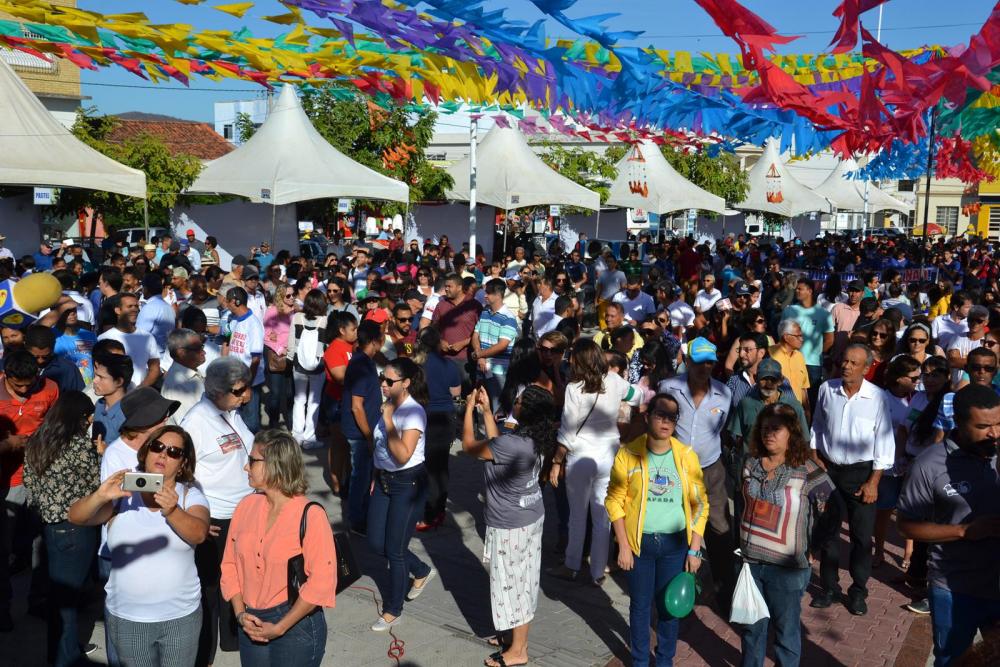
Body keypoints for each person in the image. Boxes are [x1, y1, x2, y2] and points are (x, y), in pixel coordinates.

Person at [69, 425, 210, 667]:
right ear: (145, 452)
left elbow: (199, 533)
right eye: (158, 447)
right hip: (127, 617)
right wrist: (100, 496)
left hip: (180, 617)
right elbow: (76, 517)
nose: (163, 455)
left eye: (174, 452)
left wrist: (173, 511)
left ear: (183, 463)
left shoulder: (189, 495)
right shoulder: (122, 496)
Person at [898, 384, 1000, 666]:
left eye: (999, 423)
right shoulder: (929, 465)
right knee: (952, 660)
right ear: (959, 422)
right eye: (983, 426)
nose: (995, 433)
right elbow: (906, 526)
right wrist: (963, 531)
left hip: (997, 584)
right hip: (954, 589)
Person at [605, 392, 707, 667]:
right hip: (640, 545)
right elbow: (614, 500)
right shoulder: (628, 454)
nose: (665, 422)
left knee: (669, 608)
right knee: (639, 608)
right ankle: (639, 662)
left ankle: (664, 662)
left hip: (675, 546)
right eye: (660, 415)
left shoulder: (686, 456)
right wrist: (623, 545)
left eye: (672, 417)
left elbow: (700, 505)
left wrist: (694, 549)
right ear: (648, 416)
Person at [221, 429, 336, 666]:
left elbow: (321, 583)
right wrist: (240, 613)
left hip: (295, 624)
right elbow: (229, 565)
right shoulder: (245, 506)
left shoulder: (311, 515)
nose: (246, 467)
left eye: (252, 461)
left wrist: (280, 627)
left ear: (275, 465)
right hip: (249, 620)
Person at [462, 384, 557, 667]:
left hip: (511, 525)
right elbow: (497, 443)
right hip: (529, 518)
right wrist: (487, 412)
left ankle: (518, 651)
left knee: (513, 586)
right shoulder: (531, 439)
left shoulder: (512, 444)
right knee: (522, 580)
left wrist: (468, 410)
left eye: (518, 401)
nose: (514, 403)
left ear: (525, 410)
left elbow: (470, 446)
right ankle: (511, 637)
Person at [737, 403, 835, 667]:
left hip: (788, 567)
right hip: (751, 564)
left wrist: (815, 545)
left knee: (786, 634)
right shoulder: (750, 463)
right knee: (752, 631)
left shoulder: (807, 470)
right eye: (765, 428)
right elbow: (741, 503)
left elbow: (833, 510)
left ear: (791, 432)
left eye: (776, 429)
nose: (769, 434)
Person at [810, 343, 896, 615]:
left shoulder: (878, 397)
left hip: (861, 475)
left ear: (867, 367)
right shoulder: (827, 389)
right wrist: (815, 454)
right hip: (830, 470)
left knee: (861, 537)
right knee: (827, 533)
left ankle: (858, 590)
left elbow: (884, 440)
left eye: (853, 362)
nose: (846, 366)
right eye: (844, 361)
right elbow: (818, 424)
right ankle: (830, 588)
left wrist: (874, 481)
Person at [179, 357, 254, 666]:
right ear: (216, 392)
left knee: (236, 580)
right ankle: (203, 652)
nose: (246, 395)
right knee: (211, 586)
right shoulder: (196, 423)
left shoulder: (231, 412)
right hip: (216, 517)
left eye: (247, 387)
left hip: (242, 511)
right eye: (239, 390)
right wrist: (195, 515)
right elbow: (182, 473)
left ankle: (232, 638)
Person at [548, 339, 641, 584]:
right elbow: (638, 394)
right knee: (602, 517)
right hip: (608, 456)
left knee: (577, 515)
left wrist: (557, 462)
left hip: (580, 458)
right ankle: (597, 572)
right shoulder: (615, 381)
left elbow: (567, 431)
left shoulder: (574, 388)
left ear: (579, 361)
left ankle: (571, 565)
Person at [657, 337, 735, 610]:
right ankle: (681, 589)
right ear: (687, 361)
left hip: (710, 469)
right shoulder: (668, 388)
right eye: (699, 362)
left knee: (719, 528)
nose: (704, 368)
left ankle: (724, 592)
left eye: (710, 362)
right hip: (675, 469)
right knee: (679, 528)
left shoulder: (724, 394)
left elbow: (721, 429)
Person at [23, 391, 98, 667]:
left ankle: (63, 651)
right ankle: (65, 658)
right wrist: (99, 455)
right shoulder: (79, 446)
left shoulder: (37, 440)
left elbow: (29, 482)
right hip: (77, 528)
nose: (91, 421)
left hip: (48, 527)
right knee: (66, 601)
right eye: (88, 417)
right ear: (78, 417)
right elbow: (95, 486)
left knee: (59, 597)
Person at [367, 358, 436, 631]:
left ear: (406, 383)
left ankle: (393, 610)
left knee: (394, 550)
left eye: (389, 381)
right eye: (382, 379)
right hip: (384, 480)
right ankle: (420, 570)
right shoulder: (388, 405)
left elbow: (402, 454)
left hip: (408, 483)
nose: (383, 384)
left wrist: (387, 420)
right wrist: (376, 474)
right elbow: (379, 447)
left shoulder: (413, 413)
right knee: (375, 543)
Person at [0, 349, 59, 631]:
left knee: (41, 543)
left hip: (38, 477)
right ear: (5, 376)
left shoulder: (50, 389)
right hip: (6, 482)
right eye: (17, 385)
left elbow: (55, 427)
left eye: (29, 384)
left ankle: (38, 600)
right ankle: (2, 608)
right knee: (3, 547)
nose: (24, 391)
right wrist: (8, 445)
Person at [412, 326, 461, 531]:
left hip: (425, 418)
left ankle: (430, 514)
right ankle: (439, 509)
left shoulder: (416, 366)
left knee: (428, 469)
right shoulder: (449, 364)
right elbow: (456, 393)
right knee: (441, 466)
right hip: (446, 418)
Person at [342, 320, 383, 533]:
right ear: (376, 341)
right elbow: (357, 407)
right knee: (360, 477)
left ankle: (362, 514)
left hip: (364, 431)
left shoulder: (365, 361)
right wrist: (369, 437)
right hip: (360, 433)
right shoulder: (361, 365)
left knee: (364, 475)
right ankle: (357, 520)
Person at [287, 290, 328, 449]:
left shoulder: (297, 318)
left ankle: (296, 435)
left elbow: (292, 343)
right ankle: (309, 438)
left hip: (298, 365)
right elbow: (327, 345)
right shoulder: (325, 320)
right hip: (318, 366)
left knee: (299, 400)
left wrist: (290, 360)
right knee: (314, 401)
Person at [471, 279, 518, 408]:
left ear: (498, 295)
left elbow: (502, 345)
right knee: (480, 406)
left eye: (488, 293)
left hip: (498, 371)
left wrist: (480, 354)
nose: (485, 295)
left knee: (496, 408)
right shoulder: (485, 312)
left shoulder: (509, 318)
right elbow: (475, 335)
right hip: (481, 368)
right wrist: (480, 356)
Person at [98, 293, 161, 387]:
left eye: (136, 306)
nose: (135, 309)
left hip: (141, 395)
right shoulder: (104, 338)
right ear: (118, 310)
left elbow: (155, 368)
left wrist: (140, 389)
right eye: (130, 306)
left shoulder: (148, 337)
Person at [225, 286, 265, 432]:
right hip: (234, 380)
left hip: (250, 383)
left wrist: (247, 387)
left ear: (235, 302)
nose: (226, 304)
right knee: (237, 421)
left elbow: (255, 360)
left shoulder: (253, 324)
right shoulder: (234, 320)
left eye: (228, 301)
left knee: (251, 424)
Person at [263, 282, 295, 430]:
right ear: (280, 296)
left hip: (291, 356)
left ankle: (290, 423)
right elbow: (267, 336)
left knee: (289, 392)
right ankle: (274, 423)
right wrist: (279, 348)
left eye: (293, 295)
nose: (292, 298)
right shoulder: (272, 311)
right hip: (277, 355)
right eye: (288, 295)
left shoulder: (295, 311)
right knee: (276, 392)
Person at [161, 329, 207, 421]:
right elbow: (193, 426)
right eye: (198, 348)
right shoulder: (178, 387)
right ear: (181, 353)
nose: (204, 352)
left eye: (202, 346)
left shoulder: (192, 373)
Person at [92, 348, 134, 444]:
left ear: (119, 381)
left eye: (101, 377)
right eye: (95, 375)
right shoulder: (99, 404)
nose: (95, 380)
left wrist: (107, 451)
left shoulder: (128, 415)